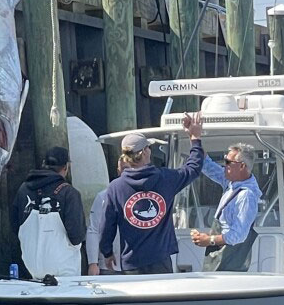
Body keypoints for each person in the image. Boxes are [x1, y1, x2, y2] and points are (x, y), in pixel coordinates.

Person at [99, 115, 204, 275]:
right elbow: (194, 168)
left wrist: (107, 252)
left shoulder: (115, 187)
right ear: (146, 152)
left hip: (131, 264)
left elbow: (107, 225)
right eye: (149, 147)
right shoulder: (165, 178)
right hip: (161, 260)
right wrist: (195, 138)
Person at [11, 146, 86, 278]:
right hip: (64, 269)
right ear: (66, 167)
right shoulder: (69, 193)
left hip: (32, 266)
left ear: (43, 164)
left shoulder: (23, 189)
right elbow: (77, 236)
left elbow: (14, 225)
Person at [191, 141, 261, 272]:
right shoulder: (231, 182)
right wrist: (195, 138)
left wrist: (209, 240)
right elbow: (208, 166)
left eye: (228, 162)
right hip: (220, 261)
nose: (225, 165)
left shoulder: (246, 195)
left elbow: (238, 236)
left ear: (242, 166)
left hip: (229, 265)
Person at [86, 158, 128, 276]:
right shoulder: (103, 196)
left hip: (137, 264)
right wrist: (93, 263)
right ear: (118, 171)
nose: (127, 172)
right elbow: (94, 229)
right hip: (109, 265)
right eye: (124, 169)